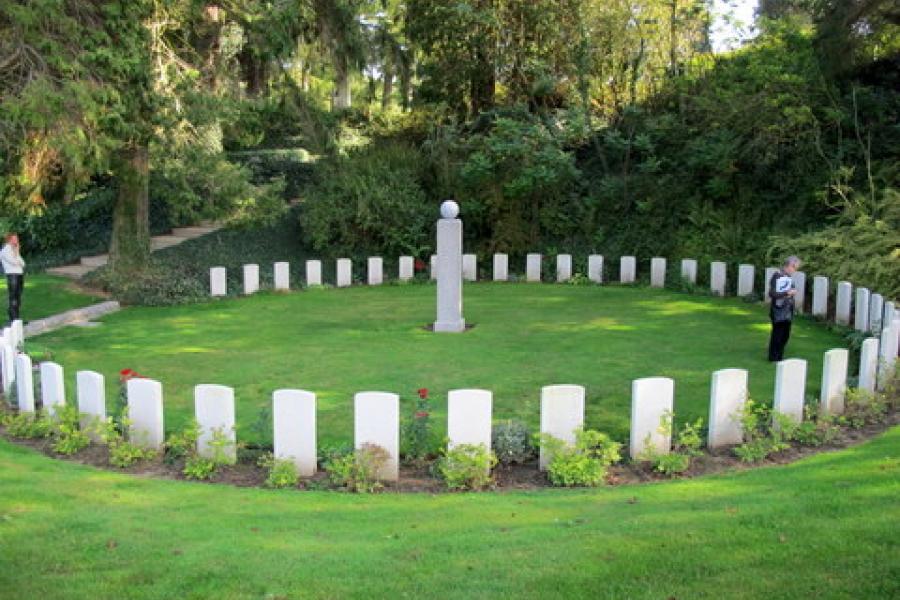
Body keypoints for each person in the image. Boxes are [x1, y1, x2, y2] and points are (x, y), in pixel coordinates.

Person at [768, 256, 800, 362]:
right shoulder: (777, 276)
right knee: (777, 334)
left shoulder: (789, 277)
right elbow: (772, 293)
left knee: (785, 335)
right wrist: (787, 293)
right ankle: (773, 357)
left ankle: (780, 356)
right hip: (778, 310)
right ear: (789, 266)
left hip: (787, 310)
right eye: (794, 267)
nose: (795, 270)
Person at [1, 233, 26, 325]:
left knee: (18, 297)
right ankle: (13, 320)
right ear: (9, 240)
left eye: (17, 238)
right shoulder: (5, 251)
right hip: (12, 276)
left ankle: (17, 319)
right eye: (15, 239)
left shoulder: (14, 250)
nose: (17, 240)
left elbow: (23, 263)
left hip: (19, 275)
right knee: (13, 298)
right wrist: (17, 253)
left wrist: (17, 253)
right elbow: (14, 262)